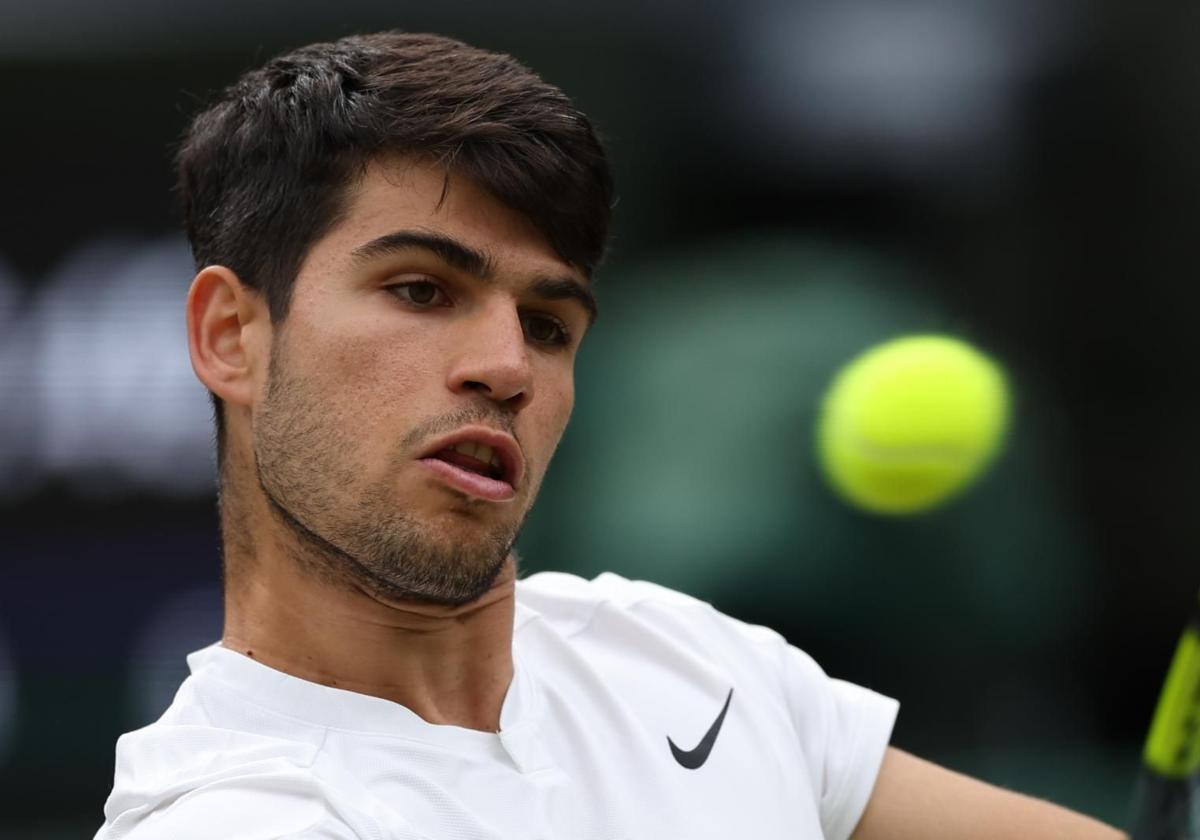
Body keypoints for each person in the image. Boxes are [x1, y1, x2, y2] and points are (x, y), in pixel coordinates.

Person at [95, 31, 1127, 839]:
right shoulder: (232, 820)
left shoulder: (680, 660)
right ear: (232, 337)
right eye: (421, 289)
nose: (506, 367)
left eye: (549, 326)